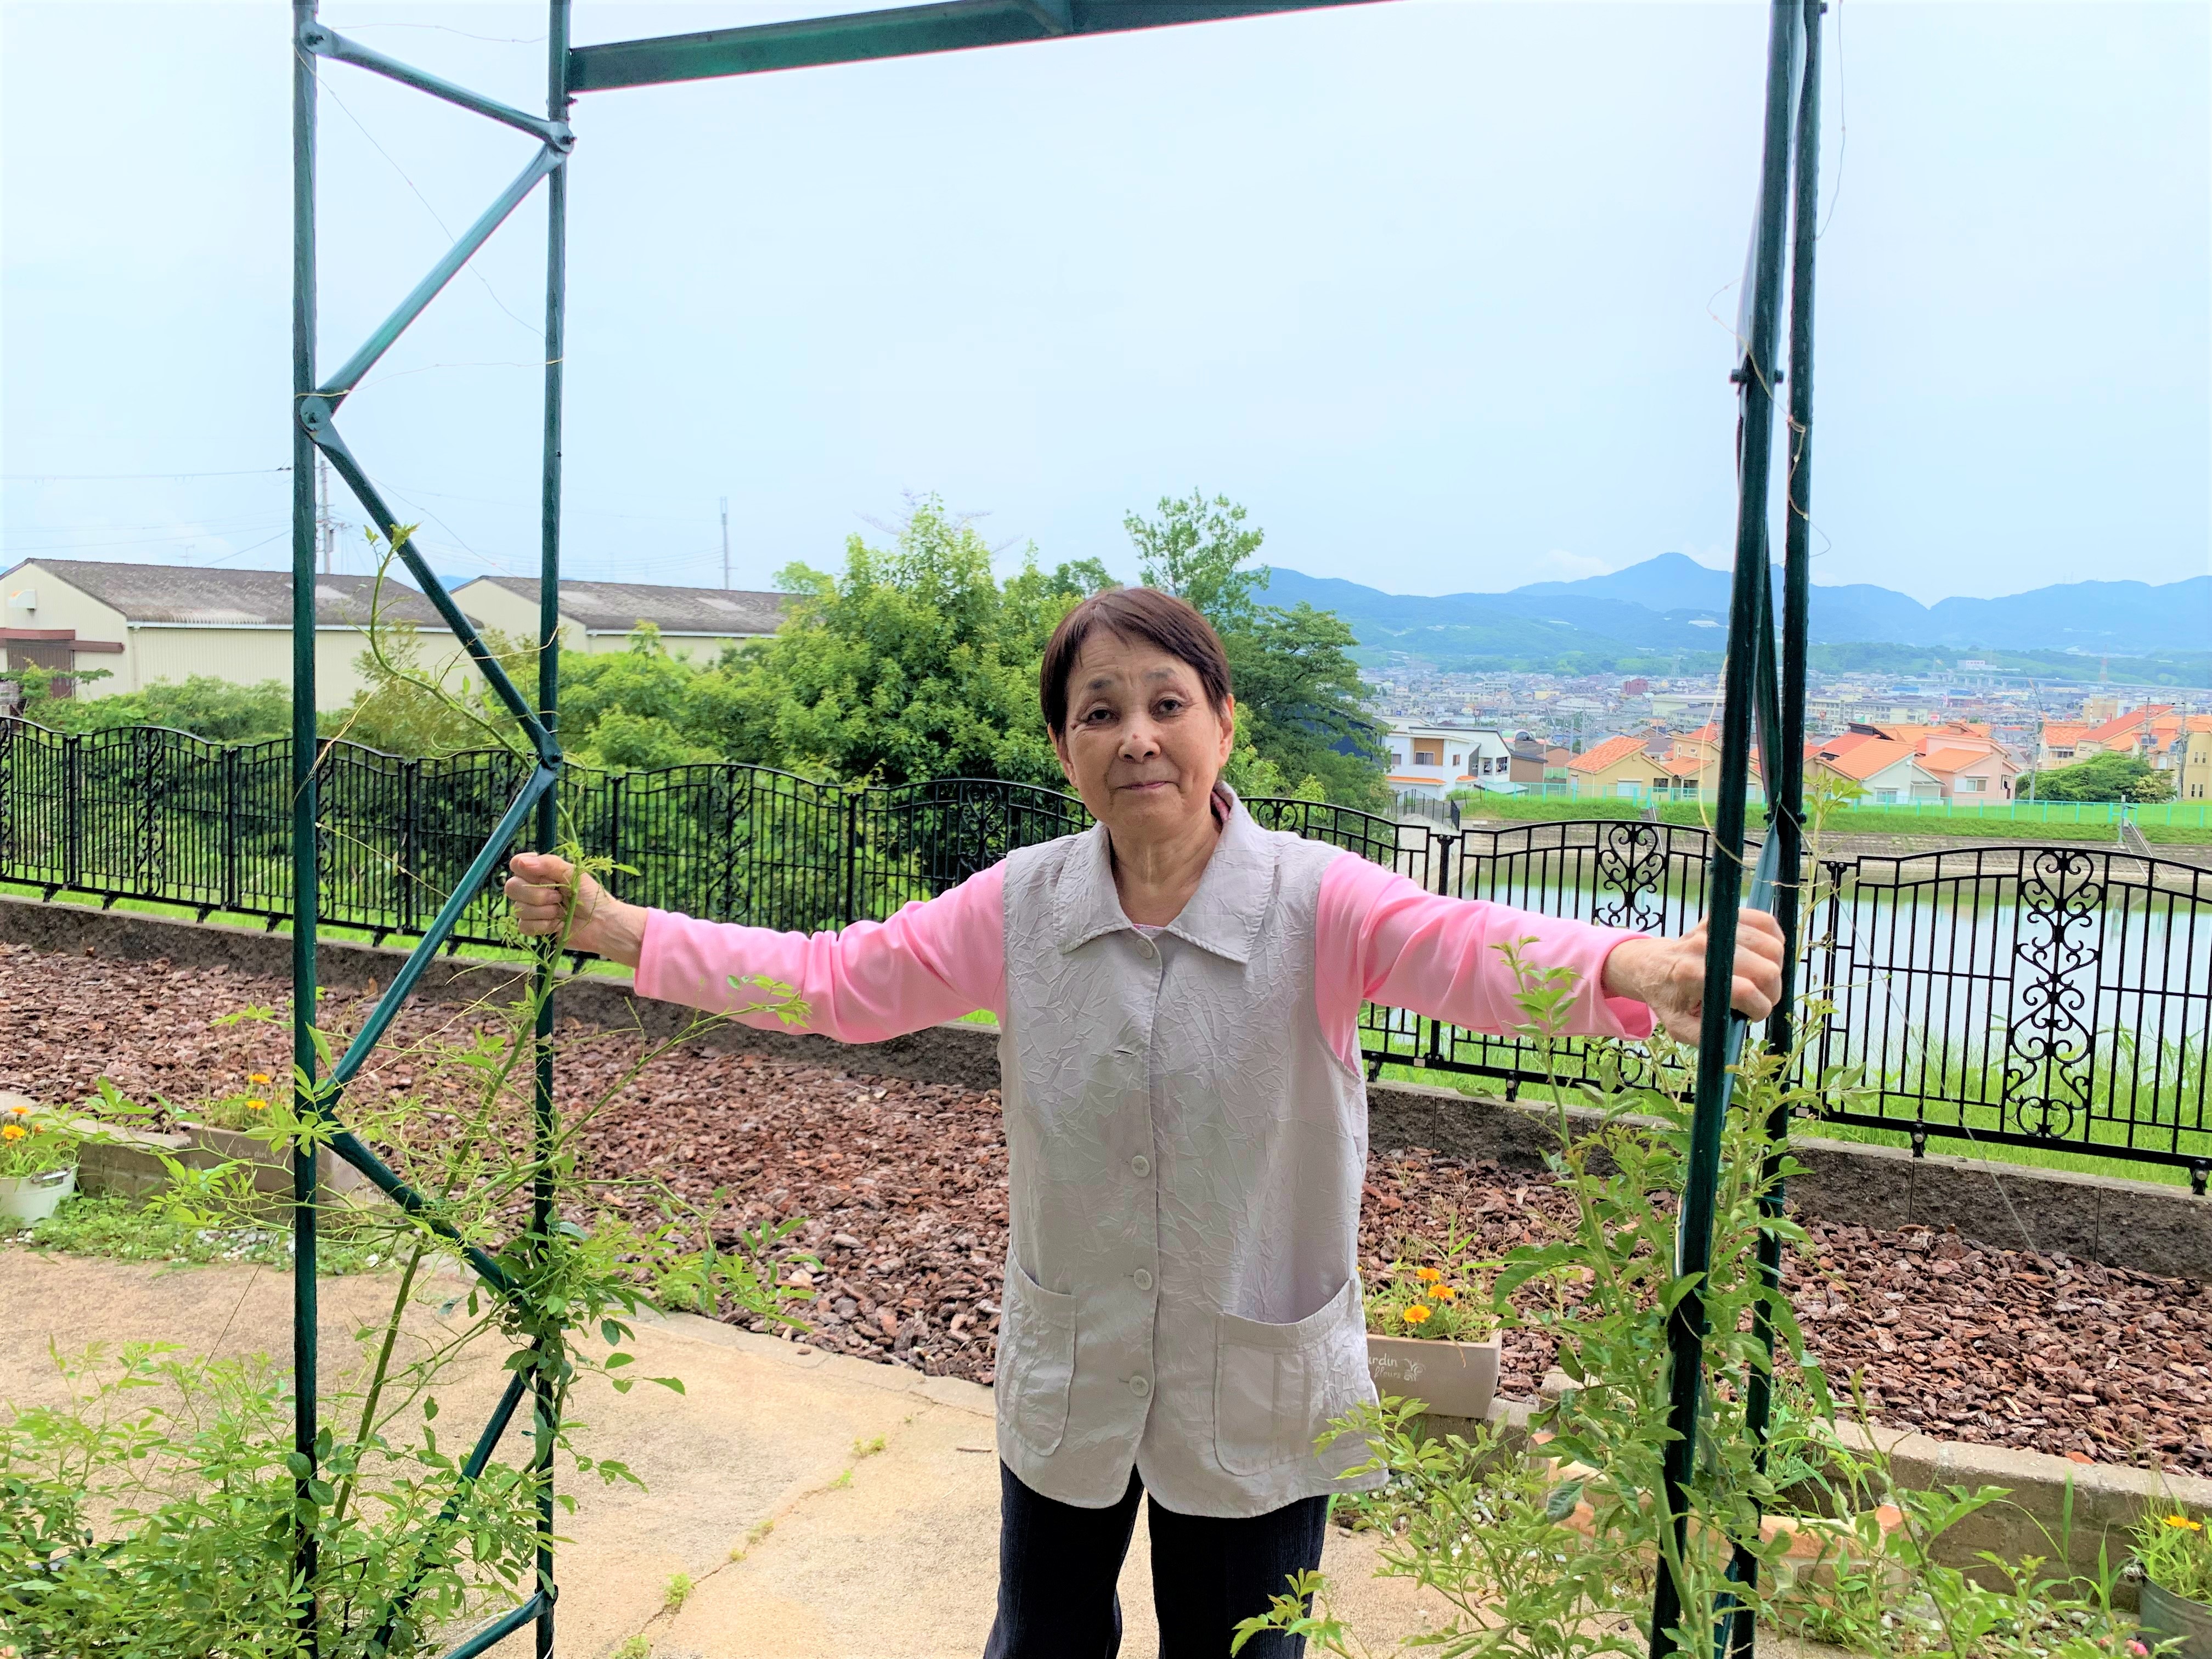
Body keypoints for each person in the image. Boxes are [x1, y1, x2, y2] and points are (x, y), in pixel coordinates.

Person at [505, 588, 1784, 1659]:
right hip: (1076, 1364)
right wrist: (625, 930)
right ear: (1064, 749)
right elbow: (842, 980)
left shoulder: (1317, 902)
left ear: (1225, 722)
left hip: (1255, 1379)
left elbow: (1467, 947)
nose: (1138, 738)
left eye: (1168, 703)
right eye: (1099, 712)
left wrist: (1635, 969)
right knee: (1042, 1643)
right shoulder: (1022, 906)